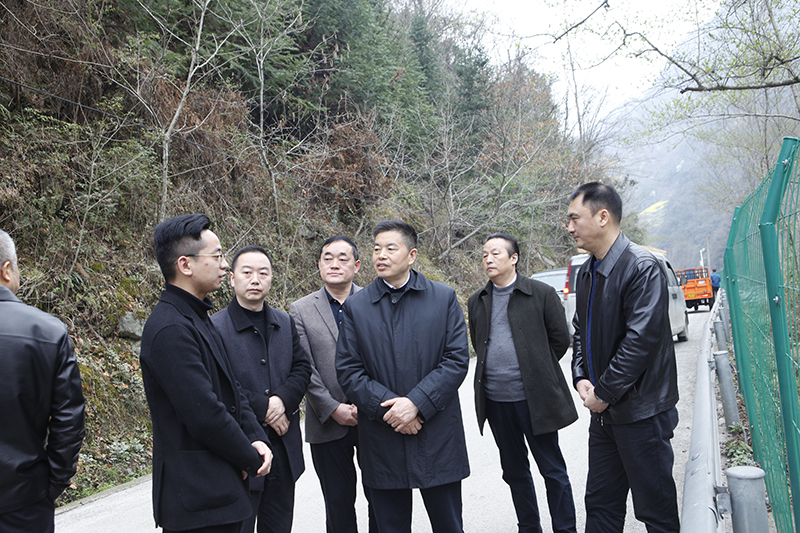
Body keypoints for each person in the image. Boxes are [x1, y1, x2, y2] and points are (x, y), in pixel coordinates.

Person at [140, 214, 272, 533]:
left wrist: (256, 437)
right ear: (185, 265)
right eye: (217, 256)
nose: (225, 265)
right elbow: (204, 413)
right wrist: (248, 457)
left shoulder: (197, 317)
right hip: (197, 498)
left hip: (219, 489)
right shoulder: (170, 328)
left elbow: (231, 389)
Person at [335, 220, 471, 533]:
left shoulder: (443, 297)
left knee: (449, 524)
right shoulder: (357, 307)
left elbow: (455, 359)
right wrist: (393, 410)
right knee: (389, 526)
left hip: (436, 433)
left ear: (411, 255)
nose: (380, 255)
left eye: (390, 248)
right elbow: (349, 369)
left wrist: (416, 404)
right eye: (376, 249)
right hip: (384, 437)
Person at [566, 182, 680, 533]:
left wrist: (603, 393)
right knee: (601, 506)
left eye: (575, 218)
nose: (569, 227)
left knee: (655, 510)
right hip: (604, 415)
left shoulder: (642, 266)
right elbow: (580, 330)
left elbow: (640, 341)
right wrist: (581, 375)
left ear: (603, 217)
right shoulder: (587, 271)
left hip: (642, 413)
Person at [468, 233, 578, 533]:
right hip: (496, 401)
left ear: (513, 258)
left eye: (495, 253)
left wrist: (535, 370)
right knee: (514, 471)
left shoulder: (541, 294)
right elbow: (479, 343)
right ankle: (529, 527)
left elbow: (559, 341)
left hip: (535, 400)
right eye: (484, 255)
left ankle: (565, 528)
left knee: (552, 470)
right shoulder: (478, 300)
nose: (488, 259)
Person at [212, 246, 312, 533]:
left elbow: (302, 368)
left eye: (263, 273)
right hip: (239, 448)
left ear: (271, 279)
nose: (255, 279)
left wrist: (282, 400)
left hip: (283, 448)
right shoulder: (214, 327)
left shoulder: (284, 322)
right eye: (247, 273)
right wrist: (265, 408)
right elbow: (218, 383)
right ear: (232, 279)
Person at [289, 236, 379, 533]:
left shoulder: (375, 301)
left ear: (357, 265)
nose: (334, 264)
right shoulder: (300, 309)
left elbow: (385, 359)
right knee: (338, 505)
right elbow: (304, 365)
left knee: (381, 498)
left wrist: (370, 403)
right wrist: (332, 407)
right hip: (326, 421)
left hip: (373, 416)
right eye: (327, 258)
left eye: (343, 258)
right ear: (319, 264)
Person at [0, 230, 85, 533]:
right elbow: (69, 421)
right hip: (25, 501)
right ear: (7, 270)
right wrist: (51, 486)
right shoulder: (47, 331)